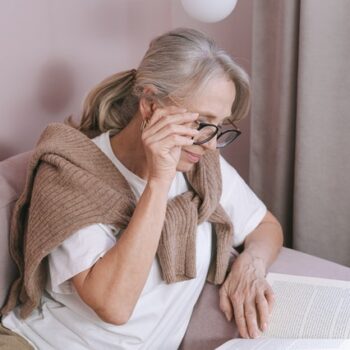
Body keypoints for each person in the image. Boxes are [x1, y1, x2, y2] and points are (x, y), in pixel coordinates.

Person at [0, 27, 283, 349]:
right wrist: (159, 182)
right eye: (201, 122)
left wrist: (252, 263)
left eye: (220, 126)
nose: (212, 143)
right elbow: (114, 306)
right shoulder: (71, 173)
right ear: (149, 106)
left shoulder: (204, 167)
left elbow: (265, 225)